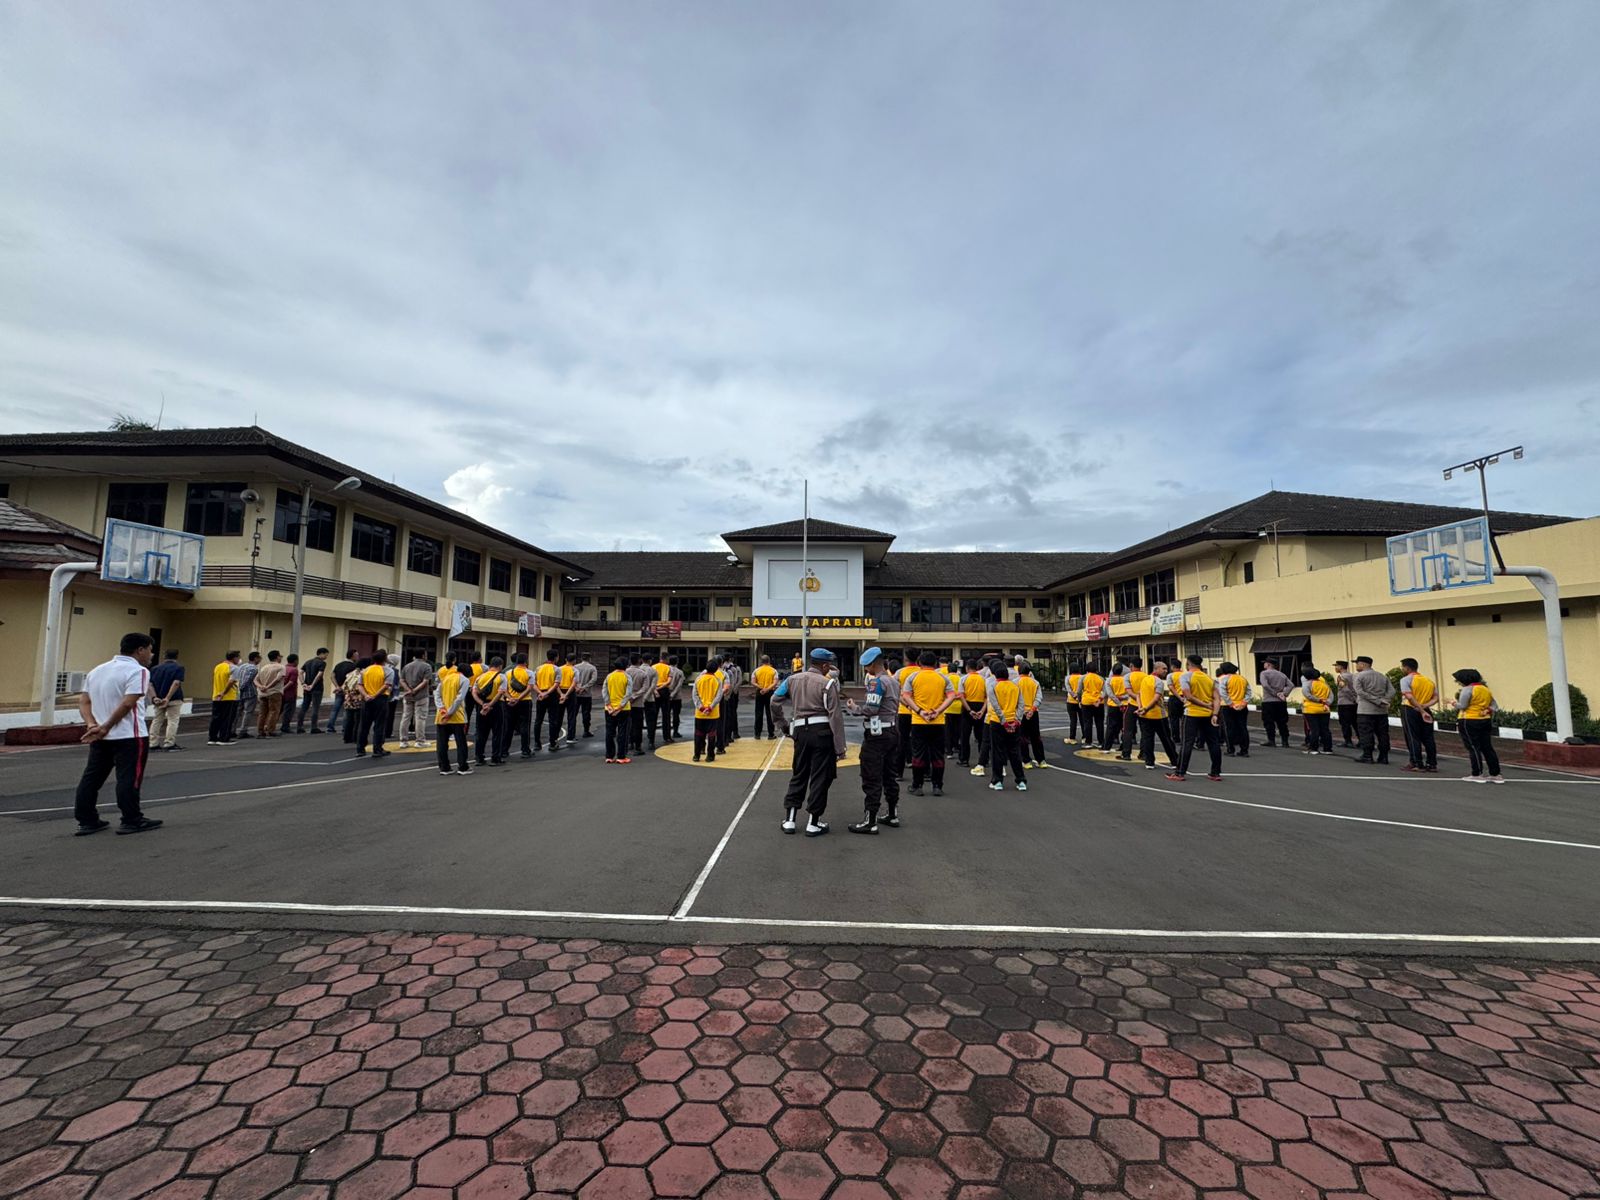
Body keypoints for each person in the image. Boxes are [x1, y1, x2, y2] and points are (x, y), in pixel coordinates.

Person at [73, 632, 163, 836]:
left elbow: (84, 701)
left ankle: (87, 820)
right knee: (129, 778)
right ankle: (131, 819)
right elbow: (128, 703)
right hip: (129, 735)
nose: (152, 654)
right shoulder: (138, 671)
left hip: (101, 736)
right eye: (150, 650)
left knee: (92, 778)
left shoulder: (97, 671)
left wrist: (92, 724)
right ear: (140, 650)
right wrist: (106, 726)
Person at [772, 648, 845, 835]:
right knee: (820, 777)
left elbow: (774, 700)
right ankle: (813, 822)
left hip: (800, 732)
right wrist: (840, 747)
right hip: (822, 733)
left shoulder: (792, 680)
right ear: (825, 665)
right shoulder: (828, 684)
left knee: (799, 773)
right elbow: (835, 717)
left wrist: (782, 724)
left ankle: (790, 820)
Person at [846, 646, 901, 833]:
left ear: (872, 664)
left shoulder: (876, 683)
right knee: (889, 775)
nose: (865, 670)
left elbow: (871, 709)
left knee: (871, 776)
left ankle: (870, 820)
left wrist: (854, 708)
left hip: (876, 735)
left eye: (865, 666)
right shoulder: (894, 681)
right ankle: (892, 813)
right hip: (892, 730)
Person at [904, 650, 956, 797]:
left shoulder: (913, 677)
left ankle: (917, 786)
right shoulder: (943, 678)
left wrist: (919, 711)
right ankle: (937, 786)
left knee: (918, 754)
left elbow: (906, 696)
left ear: (919, 662)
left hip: (919, 721)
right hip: (938, 721)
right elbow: (951, 696)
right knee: (938, 755)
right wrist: (938, 711)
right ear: (935, 663)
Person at [1168, 655, 1222, 782]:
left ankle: (1180, 772)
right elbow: (1217, 698)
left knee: (1187, 743)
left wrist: (1204, 705)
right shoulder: (1210, 679)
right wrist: (1215, 714)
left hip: (1192, 713)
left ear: (1188, 664)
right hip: (1208, 715)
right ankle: (1215, 773)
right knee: (1213, 743)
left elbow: (1188, 696)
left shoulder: (1186, 676)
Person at [1447, 668, 1503, 783]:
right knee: (1487, 747)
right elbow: (1494, 706)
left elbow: (1463, 706)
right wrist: (1487, 710)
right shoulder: (1485, 689)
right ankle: (1495, 773)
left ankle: (1477, 773)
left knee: (1473, 747)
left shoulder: (1467, 689)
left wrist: (1453, 703)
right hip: (1485, 719)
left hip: (1468, 719)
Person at [985, 662, 1028, 791]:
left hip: (997, 722)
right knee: (1015, 751)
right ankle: (1021, 780)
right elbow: (1021, 705)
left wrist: (1003, 721)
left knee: (997, 752)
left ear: (995, 673)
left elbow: (995, 706)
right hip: (1014, 722)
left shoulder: (993, 686)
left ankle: (997, 781)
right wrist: (1017, 721)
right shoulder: (1015, 686)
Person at [1136, 661, 1180, 771]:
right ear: (1156, 669)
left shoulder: (1145, 679)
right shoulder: (1158, 681)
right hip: (1158, 715)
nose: (1166, 671)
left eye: (1166, 669)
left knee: (1147, 739)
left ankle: (1149, 762)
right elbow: (1156, 699)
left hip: (1145, 715)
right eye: (1163, 669)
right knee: (1166, 739)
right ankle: (1175, 761)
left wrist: (1141, 708)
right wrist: (1146, 708)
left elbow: (1138, 695)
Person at [1398, 658, 1439, 773]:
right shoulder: (1429, 681)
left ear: (1407, 668)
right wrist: (1424, 706)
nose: (1402, 669)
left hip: (1410, 709)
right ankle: (1432, 763)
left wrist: (1420, 709)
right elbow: (1436, 698)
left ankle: (1416, 763)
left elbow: (1409, 697)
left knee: (1412, 736)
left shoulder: (1405, 680)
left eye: (1403, 667)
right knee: (1428, 737)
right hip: (1426, 709)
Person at [1352, 655, 1395, 764]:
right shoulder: (1382, 676)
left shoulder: (1359, 676)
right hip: (1382, 710)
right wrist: (1384, 700)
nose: (1356, 666)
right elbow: (1392, 691)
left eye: (1357, 663)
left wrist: (1376, 700)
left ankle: (1367, 755)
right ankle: (1384, 756)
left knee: (1366, 732)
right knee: (1383, 734)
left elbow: (1359, 692)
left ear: (1363, 664)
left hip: (1365, 710)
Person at [434, 654, 472, 775]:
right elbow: (459, 698)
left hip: (441, 716)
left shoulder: (446, 678)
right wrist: (450, 712)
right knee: (461, 743)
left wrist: (442, 709)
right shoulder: (464, 680)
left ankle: (444, 767)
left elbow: (437, 694)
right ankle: (463, 767)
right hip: (457, 716)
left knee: (442, 743)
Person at [355, 652, 393, 758]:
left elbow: (359, 685)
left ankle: (360, 749)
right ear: (385, 659)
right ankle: (377, 749)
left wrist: (366, 695)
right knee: (379, 725)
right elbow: (386, 685)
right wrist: (375, 695)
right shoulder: (388, 671)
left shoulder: (366, 670)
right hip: (381, 699)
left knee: (364, 725)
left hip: (366, 699)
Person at [148, 649, 185, 752]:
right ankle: (169, 743)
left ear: (164, 656)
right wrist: (168, 697)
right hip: (174, 698)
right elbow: (176, 683)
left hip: (158, 698)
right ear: (176, 656)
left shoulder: (155, 668)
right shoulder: (179, 668)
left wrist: (154, 697)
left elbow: (150, 684)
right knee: (173, 720)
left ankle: (153, 743)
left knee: (157, 720)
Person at [472, 656, 507, 766]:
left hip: (481, 706)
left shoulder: (480, 677)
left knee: (481, 733)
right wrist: (490, 705)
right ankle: (495, 758)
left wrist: (482, 704)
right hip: (496, 706)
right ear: (500, 666)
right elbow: (501, 692)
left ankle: (479, 758)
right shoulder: (501, 676)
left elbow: (474, 692)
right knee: (497, 732)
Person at [397, 648, 434, 748]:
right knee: (420, 718)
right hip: (421, 696)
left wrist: (408, 690)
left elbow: (402, 680)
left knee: (406, 717)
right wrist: (414, 690)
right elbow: (425, 681)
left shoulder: (407, 666)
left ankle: (403, 741)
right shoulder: (427, 666)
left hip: (408, 696)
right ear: (423, 655)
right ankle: (420, 741)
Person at [502, 653, 535, 760]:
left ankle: (504, 750)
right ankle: (525, 750)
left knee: (508, 727)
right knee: (525, 726)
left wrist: (511, 698)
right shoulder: (529, 673)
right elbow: (529, 688)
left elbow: (503, 689)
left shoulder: (508, 673)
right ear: (526, 661)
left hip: (509, 702)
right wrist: (519, 698)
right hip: (524, 701)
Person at [1215, 662, 1252, 757]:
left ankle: (1230, 750)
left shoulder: (1224, 679)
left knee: (1229, 728)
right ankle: (1244, 750)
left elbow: (1223, 693)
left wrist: (1231, 704)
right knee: (1242, 728)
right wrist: (1244, 703)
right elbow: (1249, 692)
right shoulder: (1242, 679)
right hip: (1242, 707)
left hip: (1227, 707)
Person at [691, 659, 724, 763]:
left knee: (698, 734)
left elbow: (694, 695)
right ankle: (710, 755)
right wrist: (710, 707)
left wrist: (701, 707)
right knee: (711, 735)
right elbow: (719, 696)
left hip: (700, 713)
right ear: (716, 669)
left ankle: (696, 755)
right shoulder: (717, 680)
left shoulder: (698, 679)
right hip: (713, 713)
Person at [603, 655, 633, 763]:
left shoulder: (609, 676)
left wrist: (609, 705)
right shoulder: (627, 677)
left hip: (609, 709)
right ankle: (621, 756)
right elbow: (628, 694)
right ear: (626, 665)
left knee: (609, 732)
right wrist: (620, 707)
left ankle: (609, 756)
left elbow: (604, 692)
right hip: (624, 709)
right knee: (623, 733)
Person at [1017, 660, 1046, 767]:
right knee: (1036, 736)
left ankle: (1026, 761)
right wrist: (1032, 710)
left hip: (1021, 713)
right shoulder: (1035, 682)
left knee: (1022, 737)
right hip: (1033, 713)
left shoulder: (1015, 682)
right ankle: (1041, 760)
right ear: (1029, 672)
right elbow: (1039, 698)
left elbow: (1015, 699)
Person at [1258, 659, 1292, 748]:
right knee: (1282, 722)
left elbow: (1265, 685)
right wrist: (1284, 693)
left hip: (1268, 701)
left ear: (1268, 664)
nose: (1264, 664)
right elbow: (1291, 685)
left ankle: (1271, 740)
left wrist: (1274, 693)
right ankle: (1285, 741)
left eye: (1265, 663)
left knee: (1268, 722)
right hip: (1281, 702)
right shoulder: (1282, 674)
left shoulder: (1264, 674)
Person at [893, 653, 918, 779]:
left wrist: (906, 704)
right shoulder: (920, 672)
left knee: (902, 741)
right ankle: (923, 772)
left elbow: (896, 692)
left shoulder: (900, 673)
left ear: (905, 659)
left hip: (903, 711)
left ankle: (899, 772)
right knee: (919, 742)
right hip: (919, 712)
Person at [252, 650, 287, 738]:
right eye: (280, 656)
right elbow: (278, 679)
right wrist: (268, 686)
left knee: (262, 713)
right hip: (274, 692)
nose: (281, 658)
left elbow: (255, 679)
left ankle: (260, 731)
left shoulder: (264, 667)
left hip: (262, 693)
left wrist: (261, 687)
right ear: (277, 657)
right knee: (273, 711)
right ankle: (270, 730)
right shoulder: (281, 667)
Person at [1300, 666, 1334, 754]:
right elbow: (1331, 695)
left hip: (1311, 710)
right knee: (1325, 729)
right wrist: (1327, 702)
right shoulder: (1324, 684)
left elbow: (1308, 695)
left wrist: (1319, 700)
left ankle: (1313, 748)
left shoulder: (1307, 684)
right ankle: (1328, 749)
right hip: (1324, 709)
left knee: (1314, 729)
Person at [533, 650, 562, 752]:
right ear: (556, 657)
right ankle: (552, 743)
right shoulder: (556, 669)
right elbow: (556, 684)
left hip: (540, 694)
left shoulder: (538, 668)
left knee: (538, 720)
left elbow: (533, 683)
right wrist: (547, 693)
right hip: (552, 695)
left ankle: (537, 743)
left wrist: (540, 693)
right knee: (553, 720)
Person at [960, 662, 987, 768]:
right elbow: (987, 697)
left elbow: (962, 697)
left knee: (965, 736)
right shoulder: (983, 679)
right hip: (981, 706)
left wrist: (969, 710)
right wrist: (982, 710)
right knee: (981, 736)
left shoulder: (963, 679)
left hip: (968, 706)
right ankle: (983, 760)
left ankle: (964, 760)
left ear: (967, 668)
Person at [628, 652, 656, 753]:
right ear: (649, 660)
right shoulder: (652, 671)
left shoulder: (626, 672)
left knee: (631, 722)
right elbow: (651, 686)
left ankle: (630, 742)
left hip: (631, 700)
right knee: (650, 721)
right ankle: (650, 742)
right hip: (648, 699)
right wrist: (645, 697)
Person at [326, 649, 357, 735]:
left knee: (335, 709)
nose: (357, 657)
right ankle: (345, 727)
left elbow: (332, 676)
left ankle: (330, 727)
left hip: (339, 690)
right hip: (348, 691)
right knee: (346, 709)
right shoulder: (353, 666)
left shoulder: (339, 665)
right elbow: (349, 678)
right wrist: (343, 687)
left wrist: (337, 686)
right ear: (353, 656)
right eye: (356, 655)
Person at [297, 647, 328, 733]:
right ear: (321, 653)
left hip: (306, 688)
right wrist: (312, 685)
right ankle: (314, 727)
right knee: (315, 708)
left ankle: (299, 726)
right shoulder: (322, 663)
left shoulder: (308, 662)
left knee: (304, 706)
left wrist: (303, 683)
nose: (326, 657)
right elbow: (319, 675)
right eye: (326, 655)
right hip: (317, 688)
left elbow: (300, 672)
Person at [232, 651, 260, 739]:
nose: (260, 660)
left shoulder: (242, 666)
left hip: (239, 693)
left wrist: (238, 690)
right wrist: (242, 688)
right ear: (255, 658)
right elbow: (247, 680)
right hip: (249, 693)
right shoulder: (254, 668)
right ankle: (243, 731)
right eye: (259, 658)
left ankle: (232, 730)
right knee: (248, 712)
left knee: (237, 712)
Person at [1078, 663, 1105, 749]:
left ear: (1087, 669)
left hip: (1086, 701)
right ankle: (1101, 742)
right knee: (1099, 722)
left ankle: (1088, 742)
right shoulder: (1101, 678)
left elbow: (1079, 691)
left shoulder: (1083, 677)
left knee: (1087, 722)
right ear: (1096, 670)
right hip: (1098, 702)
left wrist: (1079, 700)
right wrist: (1100, 699)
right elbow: (1104, 691)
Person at [572, 651, 598, 739]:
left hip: (576, 694)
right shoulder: (592, 668)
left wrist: (577, 688)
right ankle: (586, 731)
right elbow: (594, 680)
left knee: (573, 714)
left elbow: (571, 678)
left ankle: (572, 733)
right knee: (586, 713)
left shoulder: (575, 667)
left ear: (581, 658)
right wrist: (584, 687)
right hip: (587, 694)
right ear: (589, 658)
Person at [647, 652, 671, 746]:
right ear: (666, 659)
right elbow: (669, 682)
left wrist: (655, 689)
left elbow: (649, 681)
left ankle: (651, 739)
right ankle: (667, 737)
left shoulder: (653, 667)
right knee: (666, 715)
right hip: (664, 691)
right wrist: (661, 687)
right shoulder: (668, 668)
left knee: (653, 716)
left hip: (654, 691)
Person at [751, 655, 778, 739]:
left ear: (761, 662)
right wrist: (767, 689)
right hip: (770, 693)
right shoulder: (773, 671)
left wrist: (761, 687)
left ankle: (757, 734)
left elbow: (753, 682)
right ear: (769, 661)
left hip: (759, 692)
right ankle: (771, 734)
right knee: (770, 713)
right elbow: (775, 682)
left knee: (758, 713)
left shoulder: (756, 670)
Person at [1333, 661, 1358, 748]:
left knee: (1345, 723)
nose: (1335, 668)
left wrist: (1353, 699)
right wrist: (1355, 699)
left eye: (1336, 666)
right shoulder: (1352, 676)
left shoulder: (1341, 677)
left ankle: (1348, 741)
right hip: (1354, 704)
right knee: (1355, 722)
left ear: (1341, 667)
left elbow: (1345, 689)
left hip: (1344, 703)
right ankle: (1361, 740)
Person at [721, 654, 743, 746]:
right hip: (731, 694)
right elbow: (738, 680)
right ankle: (732, 734)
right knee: (732, 714)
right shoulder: (735, 668)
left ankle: (726, 736)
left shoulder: (721, 669)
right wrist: (733, 691)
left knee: (724, 715)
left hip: (722, 694)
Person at [665, 656, 686, 742]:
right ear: (677, 662)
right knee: (676, 714)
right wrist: (673, 694)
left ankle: (667, 733)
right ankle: (675, 731)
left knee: (666, 715)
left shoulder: (666, 670)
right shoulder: (680, 672)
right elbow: (679, 685)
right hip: (677, 697)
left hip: (666, 695)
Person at [559, 653, 579, 745]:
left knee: (559, 715)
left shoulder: (559, 669)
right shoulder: (575, 670)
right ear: (574, 660)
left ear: (565, 659)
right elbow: (574, 684)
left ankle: (555, 737)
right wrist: (566, 694)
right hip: (570, 693)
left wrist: (561, 694)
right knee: (571, 716)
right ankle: (570, 737)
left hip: (559, 692)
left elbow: (556, 683)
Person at [279, 654, 300, 733]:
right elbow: (291, 682)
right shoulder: (294, 670)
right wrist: (283, 689)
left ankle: (270, 725)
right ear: (295, 661)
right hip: (290, 694)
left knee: (279, 710)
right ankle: (285, 726)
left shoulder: (283, 668)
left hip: (281, 693)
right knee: (288, 711)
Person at [1064, 664, 1084, 745]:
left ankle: (1072, 738)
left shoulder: (1068, 678)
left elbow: (1068, 689)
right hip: (1082, 701)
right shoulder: (1082, 677)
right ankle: (1085, 737)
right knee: (1083, 720)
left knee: (1073, 720)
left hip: (1071, 701)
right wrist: (1079, 698)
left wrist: (1074, 696)